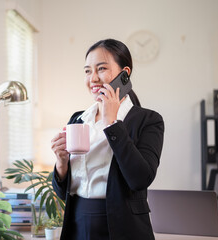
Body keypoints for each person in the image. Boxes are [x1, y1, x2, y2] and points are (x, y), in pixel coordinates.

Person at [51, 38, 164, 240]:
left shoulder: (148, 120)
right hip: (77, 224)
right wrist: (61, 163)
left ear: (124, 73)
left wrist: (112, 123)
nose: (93, 78)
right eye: (87, 71)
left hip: (124, 227)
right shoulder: (78, 119)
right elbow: (63, 193)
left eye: (101, 69)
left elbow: (140, 179)